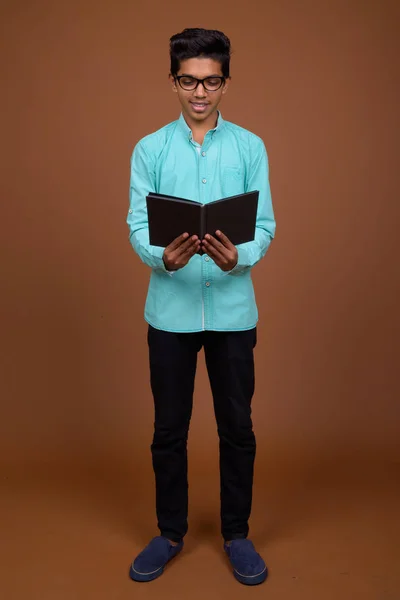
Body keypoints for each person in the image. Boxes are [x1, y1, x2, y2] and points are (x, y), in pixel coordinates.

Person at [126, 27, 276, 586]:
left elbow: (265, 226)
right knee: (170, 429)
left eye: (211, 81)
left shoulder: (250, 147)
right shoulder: (150, 149)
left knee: (238, 427)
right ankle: (169, 533)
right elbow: (137, 225)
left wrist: (239, 255)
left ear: (225, 83)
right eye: (189, 81)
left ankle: (237, 534)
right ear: (173, 82)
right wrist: (162, 256)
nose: (199, 93)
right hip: (170, 313)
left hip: (234, 313)